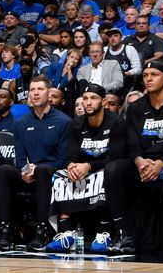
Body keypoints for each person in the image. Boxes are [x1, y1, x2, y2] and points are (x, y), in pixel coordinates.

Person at [46, 84, 126, 254]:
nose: (88, 102)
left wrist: (88, 166)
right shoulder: (76, 124)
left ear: (103, 102)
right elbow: (71, 156)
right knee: (60, 176)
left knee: (106, 173)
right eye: (85, 98)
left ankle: (105, 233)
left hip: (106, 168)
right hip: (83, 170)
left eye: (94, 98)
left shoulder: (117, 123)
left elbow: (116, 157)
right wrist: (72, 166)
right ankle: (66, 233)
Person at [0, 76, 71, 251]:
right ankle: (5, 229)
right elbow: (20, 156)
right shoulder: (21, 122)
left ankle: (43, 229)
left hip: (54, 172)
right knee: (3, 170)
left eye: (40, 89)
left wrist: (36, 170)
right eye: (32, 90)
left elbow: (64, 158)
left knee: (43, 170)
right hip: (30, 172)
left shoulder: (64, 121)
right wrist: (24, 170)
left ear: (49, 93)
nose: (35, 93)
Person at [107, 61, 163, 256]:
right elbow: (132, 143)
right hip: (145, 163)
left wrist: (161, 163)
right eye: (146, 75)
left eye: (154, 74)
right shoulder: (136, 108)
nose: (148, 78)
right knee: (114, 170)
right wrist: (140, 162)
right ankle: (126, 233)